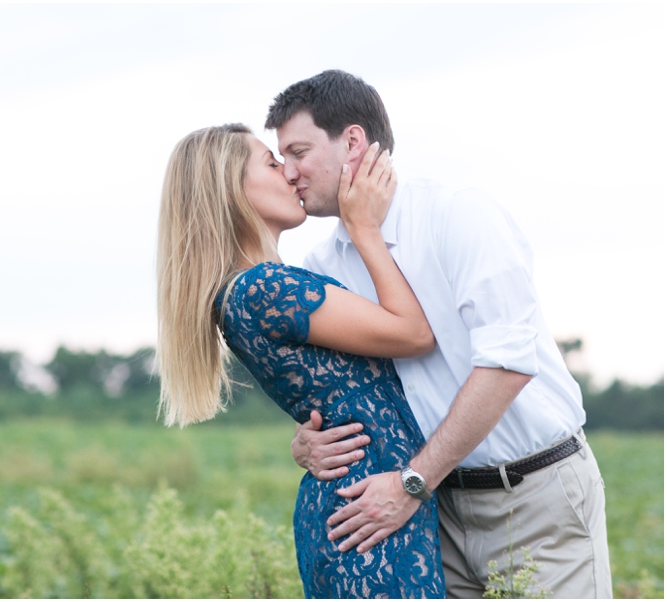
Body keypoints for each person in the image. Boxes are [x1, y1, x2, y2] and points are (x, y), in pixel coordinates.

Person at [267, 70, 612, 598]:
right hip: (434, 513)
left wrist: (412, 482)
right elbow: (344, 389)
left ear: (353, 141)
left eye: (297, 151)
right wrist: (309, 439)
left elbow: (507, 366)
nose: (288, 172)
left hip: (533, 496)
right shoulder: (322, 265)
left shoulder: (458, 215)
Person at [156, 123, 446, 597]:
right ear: (232, 191)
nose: (290, 174)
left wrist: (303, 440)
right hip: (368, 510)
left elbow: (326, 390)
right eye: (272, 163)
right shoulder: (267, 288)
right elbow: (414, 334)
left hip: (359, 503)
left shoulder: (247, 290)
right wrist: (365, 228)